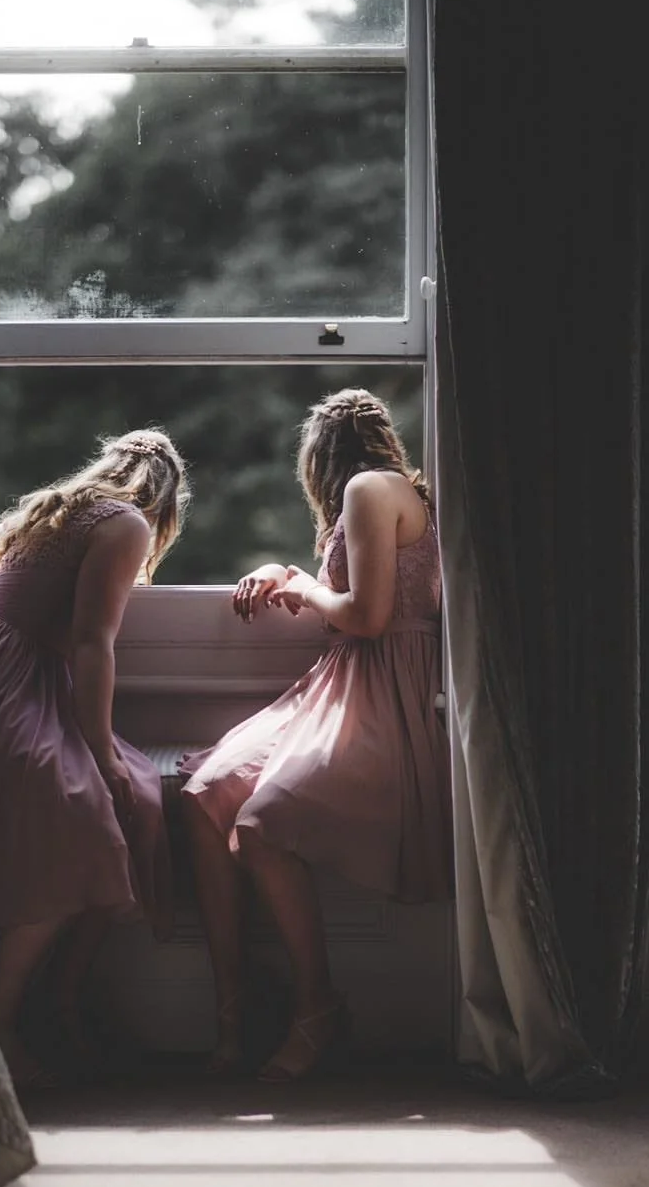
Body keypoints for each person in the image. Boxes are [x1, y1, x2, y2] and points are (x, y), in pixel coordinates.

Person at [0, 429, 189, 1089]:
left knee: (138, 794)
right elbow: (92, 643)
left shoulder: (54, 508)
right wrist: (100, 751)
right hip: (8, 691)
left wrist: (26, 592)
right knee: (86, 813)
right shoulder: (127, 524)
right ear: (167, 499)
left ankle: (61, 996)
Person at [181, 388, 452, 1082]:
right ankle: (233, 1007)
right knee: (204, 795)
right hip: (342, 682)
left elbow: (366, 616)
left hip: (383, 692)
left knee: (263, 827)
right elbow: (353, 590)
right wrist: (283, 573)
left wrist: (302, 592)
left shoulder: (366, 489)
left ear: (320, 460)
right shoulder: (384, 492)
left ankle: (316, 1005)